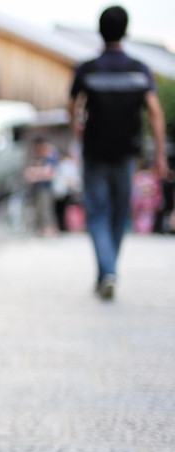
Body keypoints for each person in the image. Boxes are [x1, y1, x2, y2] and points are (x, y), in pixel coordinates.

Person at [68, 5, 168, 300]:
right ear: (126, 32)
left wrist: (78, 128)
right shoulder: (139, 69)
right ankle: (108, 271)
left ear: (100, 32)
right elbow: (154, 111)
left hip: (95, 153)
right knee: (119, 214)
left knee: (97, 213)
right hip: (127, 154)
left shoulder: (88, 69)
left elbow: (72, 105)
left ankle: (106, 272)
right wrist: (160, 153)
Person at [24, 138, 58, 235]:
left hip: (46, 188)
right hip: (38, 188)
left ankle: (50, 230)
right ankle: (44, 229)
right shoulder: (39, 158)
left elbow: (49, 174)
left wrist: (36, 173)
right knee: (40, 209)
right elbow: (28, 174)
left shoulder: (50, 157)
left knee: (46, 210)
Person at [52, 148, 82, 231]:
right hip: (60, 191)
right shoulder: (60, 164)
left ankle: (64, 226)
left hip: (66, 191)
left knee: (63, 210)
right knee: (59, 210)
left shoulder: (67, 164)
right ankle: (62, 226)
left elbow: (69, 178)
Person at [131, 160, 162, 233]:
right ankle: (146, 231)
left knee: (139, 219)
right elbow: (156, 191)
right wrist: (158, 202)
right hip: (149, 203)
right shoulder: (153, 177)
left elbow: (134, 191)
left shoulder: (137, 177)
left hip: (139, 203)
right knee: (148, 219)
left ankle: (140, 231)